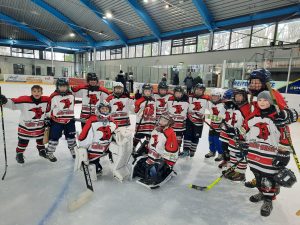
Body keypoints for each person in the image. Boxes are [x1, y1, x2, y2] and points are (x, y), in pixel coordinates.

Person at [239, 91, 294, 217]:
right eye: (260, 100)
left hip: (270, 156)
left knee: (268, 179)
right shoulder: (252, 116)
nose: (262, 102)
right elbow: (244, 130)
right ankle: (261, 192)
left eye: (265, 100)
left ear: (271, 101)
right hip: (254, 154)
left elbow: (285, 137)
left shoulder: (278, 118)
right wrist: (242, 142)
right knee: (257, 176)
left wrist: (284, 153)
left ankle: (268, 200)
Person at [244, 68, 298, 188]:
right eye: (252, 81)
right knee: (257, 164)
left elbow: (286, 116)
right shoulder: (253, 95)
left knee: (270, 167)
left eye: (257, 82)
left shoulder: (273, 94)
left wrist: (283, 149)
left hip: (271, 138)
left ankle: (271, 192)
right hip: (257, 138)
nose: (254, 84)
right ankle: (258, 181)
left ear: (265, 82)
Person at [0, 85, 49, 164]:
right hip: (26, 128)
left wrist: (48, 118)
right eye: (34, 91)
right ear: (31, 92)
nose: (36, 93)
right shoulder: (24, 100)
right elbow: (13, 103)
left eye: (38, 91)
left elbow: (54, 104)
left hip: (39, 127)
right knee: (23, 141)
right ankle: (19, 154)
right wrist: (5, 101)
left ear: (41, 92)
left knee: (40, 140)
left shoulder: (46, 100)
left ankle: (42, 151)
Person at [132, 113, 178, 188]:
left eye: (165, 121)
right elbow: (153, 141)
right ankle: (145, 174)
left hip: (161, 158)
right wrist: (148, 147)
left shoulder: (170, 133)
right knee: (141, 165)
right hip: (151, 155)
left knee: (154, 170)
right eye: (161, 119)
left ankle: (159, 174)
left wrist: (169, 162)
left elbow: (173, 149)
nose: (162, 122)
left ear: (169, 123)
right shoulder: (156, 129)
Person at [76, 103, 118, 179]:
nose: (105, 110)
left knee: (116, 150)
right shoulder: (92, 120)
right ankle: (94, 164)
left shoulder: (112, 120)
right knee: (93, 159)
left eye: (106, 109)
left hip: (107, 145)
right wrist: (82, 143)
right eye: (102, 109)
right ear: (98, 110)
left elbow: (116, 128)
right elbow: (85, 132)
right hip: (95, 146)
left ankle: (113, 162)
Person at [45, 78, 76, 162]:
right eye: (61, 86)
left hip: (69, 121)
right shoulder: (53, 96)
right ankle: (49, 153)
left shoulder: (71, 95)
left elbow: (72, 106)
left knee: (71, 138)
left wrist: (70, 116)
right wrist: (47, 118)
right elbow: (48, 109)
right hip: (57, 121)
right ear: (57, 87)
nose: (63, 88)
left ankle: (74, 152)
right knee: (54, 138)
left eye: (65, 86)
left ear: (67, 86)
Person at [223, 89, 251, 181]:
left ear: (244, 97)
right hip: (233, 134)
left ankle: (241, 173)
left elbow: (248, 123)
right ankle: (234, 169)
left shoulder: (247, 107)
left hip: (243, 136)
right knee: (232, 152)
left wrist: (239, 132)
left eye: (240, 96)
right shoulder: (235, 106)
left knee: (240, 154)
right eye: (236, 96)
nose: (238, 98)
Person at [182, 83, 209, 157]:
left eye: (201, 90)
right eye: (197, 89)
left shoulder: (206, 99)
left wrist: (204, 116)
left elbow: (212, 107)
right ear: (194, 89)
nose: (198, 91)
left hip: (199, 121)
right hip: (189, 119)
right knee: (187, 134)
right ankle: (186, 150)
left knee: (196, 136)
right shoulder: (189, 97)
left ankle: (192, 150)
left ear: (203, 91)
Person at [133, 83, 156, 149]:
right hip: (141, 124)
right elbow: (135, 111)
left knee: (148, 138)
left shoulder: (153, 100)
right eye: (146, 91)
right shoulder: (139, 101)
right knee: (139, 138)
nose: (147, 93)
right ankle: (136, 150)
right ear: (143, 92)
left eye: (149, 91)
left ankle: (145, 150)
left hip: (150, 124)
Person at [205, 88, 226, 161]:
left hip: (220, 126)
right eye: (213, 96)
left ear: (220, 96)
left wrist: (223, 122)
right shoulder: (210, 103)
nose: (214, 97)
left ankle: (220, 153)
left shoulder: (224, 105)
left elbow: (223, 116)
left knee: (218, 140)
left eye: (216, 96)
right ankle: (212, 151)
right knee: (211, 139)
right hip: (212, 124)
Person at [218, 89, 236, 168]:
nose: (224, 100)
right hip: (225, 130)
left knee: (232, 148)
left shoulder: (237, 107)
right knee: (224, 146)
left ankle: (231, 163)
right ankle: (226, 160)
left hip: (232, 131)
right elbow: (220, 116)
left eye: (226, 98)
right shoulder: (224, 106)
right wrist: (221, 122)